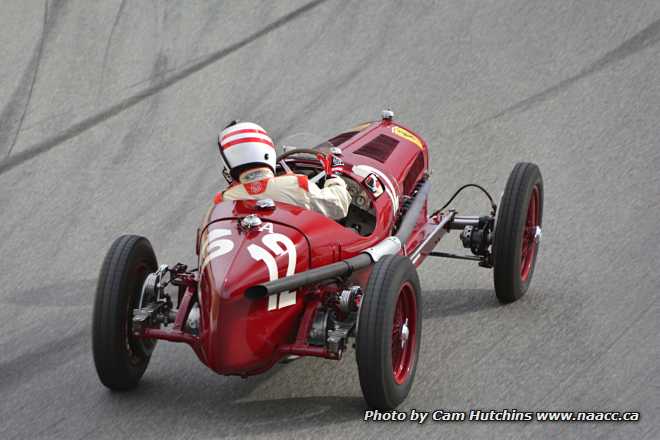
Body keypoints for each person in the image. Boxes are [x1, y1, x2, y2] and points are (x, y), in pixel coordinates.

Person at [216, 121, 351, 220]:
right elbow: (338, 206)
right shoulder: (295, 184)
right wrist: (334, 176)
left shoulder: (222, 201)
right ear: (267, 151)